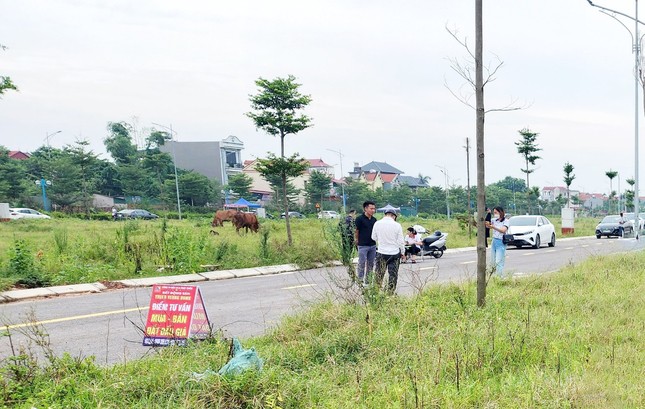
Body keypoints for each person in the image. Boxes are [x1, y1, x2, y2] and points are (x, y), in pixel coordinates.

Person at [371, 209, 405, 293]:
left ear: (385, 214)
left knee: (379, 274)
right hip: (394, 253)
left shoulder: (377, 223)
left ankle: (376, 292)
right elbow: (401, 241)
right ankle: (390, 293)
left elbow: (373, 237)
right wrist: (403, 252)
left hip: (381, 252)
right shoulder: (397, 225)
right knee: (393, 275)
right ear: (394, 216)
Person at [355, 201, 377, 285]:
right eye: (371, 208)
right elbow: (356, 230)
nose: (373, 210)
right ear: (365, 208)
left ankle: (368, 280)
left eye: (374, 209)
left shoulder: (374, 220)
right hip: (363, 245)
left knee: (371, 264)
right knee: (362, 262)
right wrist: (356, 240)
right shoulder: (359, 219)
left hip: (372, 244)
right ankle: (360, 280)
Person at [485, 206, 510, 278]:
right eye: (494, 212)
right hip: (494, 241)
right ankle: (493, 276)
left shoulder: (506, 221)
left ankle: (500, 277)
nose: (495, 214)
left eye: (496, 212)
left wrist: (493, 227)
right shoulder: (494, 220)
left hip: (501, 242)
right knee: (492, 261)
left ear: (501, 212)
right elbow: (487, 224)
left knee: (499, 261)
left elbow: (503, 230)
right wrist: (488, 215)